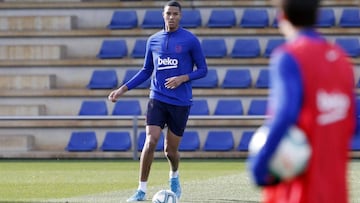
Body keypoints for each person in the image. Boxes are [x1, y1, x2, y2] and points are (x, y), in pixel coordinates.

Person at [248, 0, 357, 202]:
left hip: (298, 191)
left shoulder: (289, 56)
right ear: (317, 15)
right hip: (335, 190)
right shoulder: (342, 59)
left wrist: (259, 164)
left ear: (282, 16)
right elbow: (352, 121)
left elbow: (285, 114)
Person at [108, 1, 208, 202]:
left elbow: (203, 69)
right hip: (157, 98)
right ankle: (141, 190)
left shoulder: (190, 40)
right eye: (168, 13)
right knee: (151, 140)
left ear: (180, 16)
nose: (171, 17)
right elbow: (146, 70)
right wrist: (122, 89)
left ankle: (174, 176)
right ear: (163, 15)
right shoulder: (153, 40)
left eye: (175, 14)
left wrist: (183, 78)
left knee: (170, 151)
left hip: (180, 102)